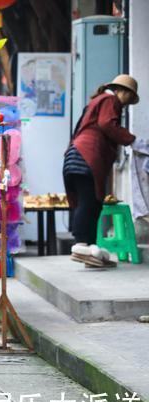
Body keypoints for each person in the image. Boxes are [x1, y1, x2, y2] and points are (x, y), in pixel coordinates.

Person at [63, 74, 138, 268]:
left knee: (93, 203)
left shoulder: (96, 101)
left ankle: (90, 248)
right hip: (87, 155)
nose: (128, 104)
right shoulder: (110, 99)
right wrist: (132, 140)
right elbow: (107, 124)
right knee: (88, 201)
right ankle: (81, 245)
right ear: (122, 91)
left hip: (75, 155)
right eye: (129, 98)